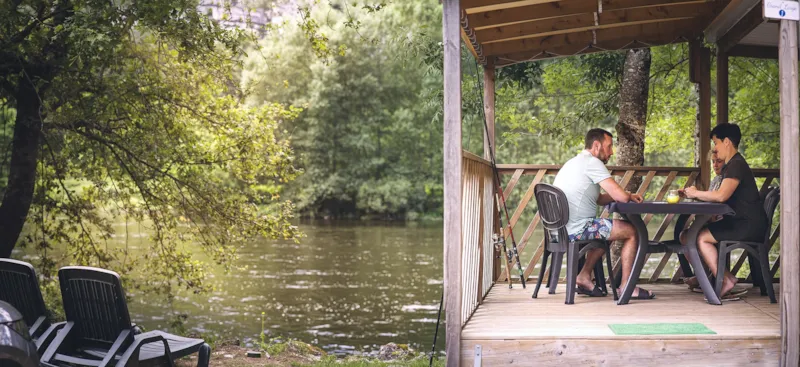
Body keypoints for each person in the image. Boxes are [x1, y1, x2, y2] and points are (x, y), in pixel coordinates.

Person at [552, 128, 653, 299]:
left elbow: (598, 198)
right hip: (578, 227)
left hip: (560, 229)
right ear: (597, 146)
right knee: (631, 231)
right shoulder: (592, 163)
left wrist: (626, 195)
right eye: (609, 146)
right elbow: (620, 196)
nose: (612, 152)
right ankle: (627, 287)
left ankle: (584, 276)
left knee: (605, 231)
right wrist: (626, 195)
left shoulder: (574, 162)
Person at [679, 123, 767, 297]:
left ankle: (725, 279)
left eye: (716, 143)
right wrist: (696, 195)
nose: (715, 148)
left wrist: (696, 193)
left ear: (726, 142)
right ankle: (711, 277)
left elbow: (721, 196)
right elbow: (720, 195)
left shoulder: (736, 165)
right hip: (742, 222)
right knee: (690, 235)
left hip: (747, 225)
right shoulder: (733, 164)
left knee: (701, 237)